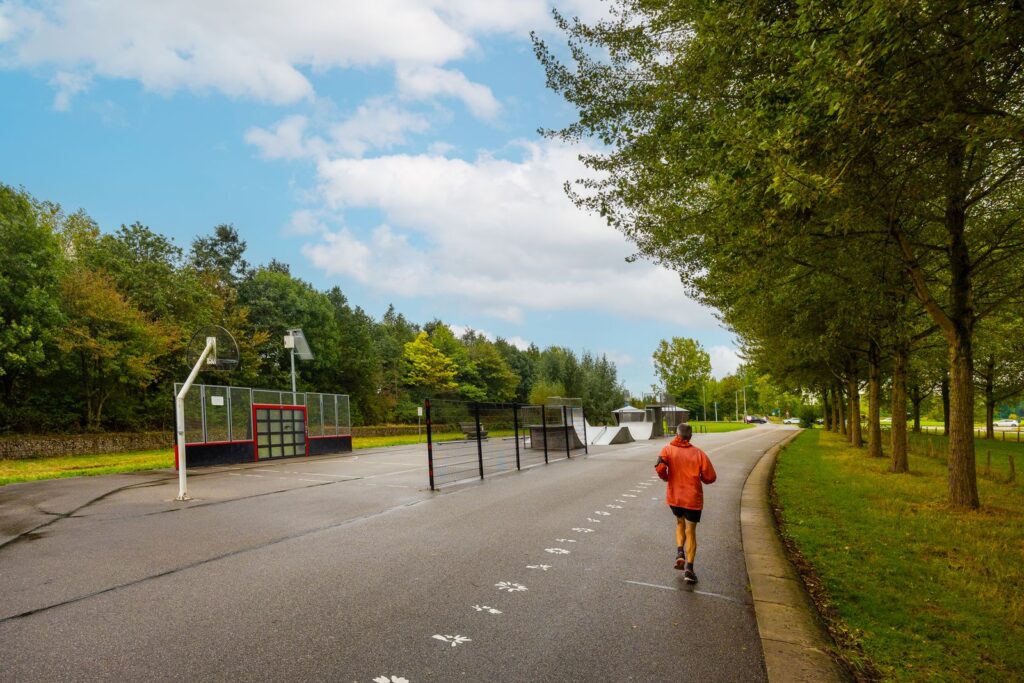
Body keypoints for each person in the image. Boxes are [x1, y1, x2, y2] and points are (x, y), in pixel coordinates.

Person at [655, 422, 717, 583]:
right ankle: (689, 569)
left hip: (675, 497)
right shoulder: (698, 454)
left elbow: (660, 467)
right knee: (691, 531)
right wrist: (700, 477)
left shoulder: (667, 450)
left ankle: (680, 552)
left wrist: (667, 478)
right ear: (690, 436)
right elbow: (710, 477)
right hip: (692, 498)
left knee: (679, 523)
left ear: (677, 434)